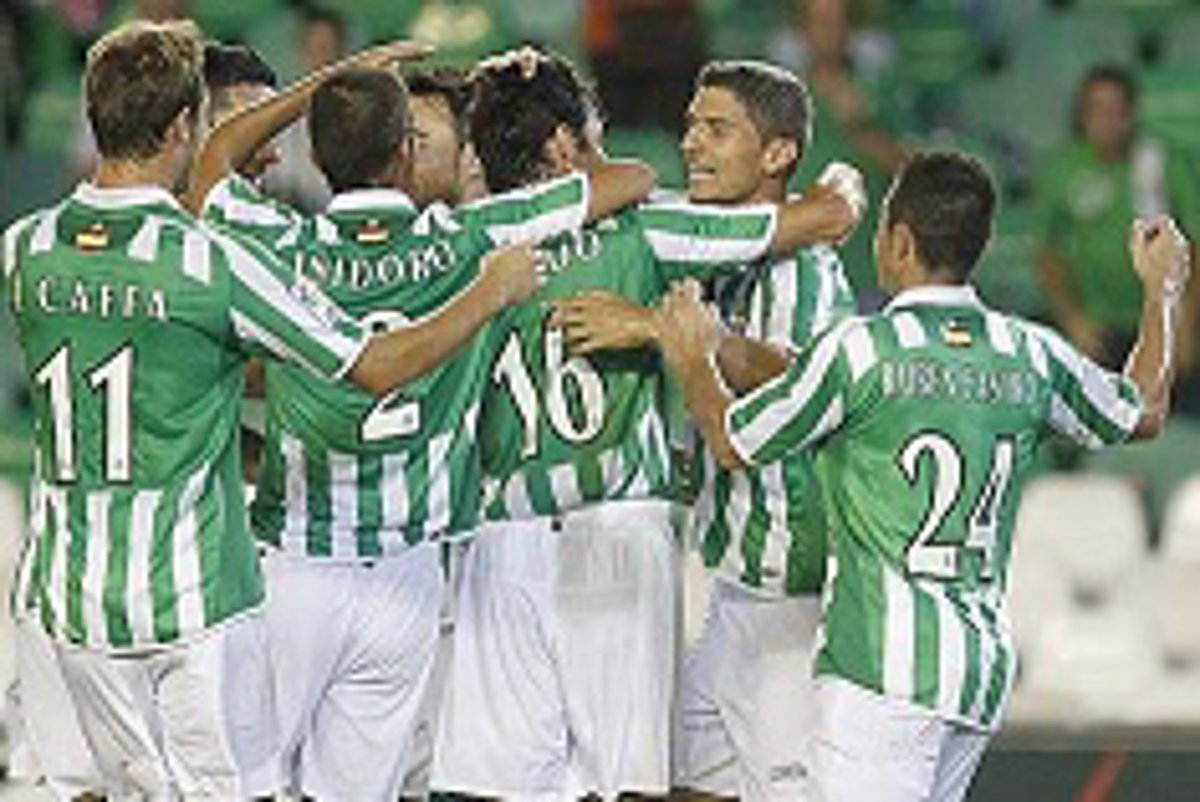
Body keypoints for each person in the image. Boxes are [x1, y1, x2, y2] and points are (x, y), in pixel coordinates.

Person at [2, 21, 542, 799]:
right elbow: (373, 365)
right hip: (191, 601)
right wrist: (489, 293)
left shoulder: (26, 247)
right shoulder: (213, 262)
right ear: (182, 126)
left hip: (69, 594)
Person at [193, 51, 659, 799]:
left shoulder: (284, 246)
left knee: (238, 785)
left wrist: (329, 82)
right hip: (405, 577)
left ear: (318, 156)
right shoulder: (469, 240)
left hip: (298, 568)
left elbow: (213, 162)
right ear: (407, 152)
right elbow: (631, 179)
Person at [657, 151, 1189, 802]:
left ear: (900, 242)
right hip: (977, 675)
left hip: (883, 675)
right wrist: (1162, 290)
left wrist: (694, 357)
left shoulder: (860, 350)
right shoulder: (1030, 353)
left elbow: (733, 442)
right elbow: (1144, 411)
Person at [431, 49, 862, 800]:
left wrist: (493, 94)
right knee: (632, 781)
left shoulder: (465, 242)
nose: (690, 143)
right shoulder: (652, 229)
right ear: (566, 145)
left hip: (507, 538)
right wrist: (844, 194)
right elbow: (818, 219)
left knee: (499, 786)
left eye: (713, 128)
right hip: (623, 535)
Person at [1035, 65, 1200, 395]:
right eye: (1098, 110)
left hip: (1165, 321)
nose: (1108, 121)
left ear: (1132, 113)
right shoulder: (1062, 169)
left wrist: (1187, 326)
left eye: (1117, 110)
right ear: (1082, 115)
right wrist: (1073, 318)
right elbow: (1046, 252)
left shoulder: (1162, 163)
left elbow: (1195, 244)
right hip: (1099, 327)